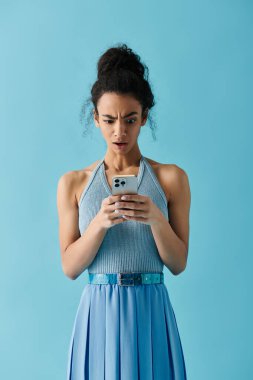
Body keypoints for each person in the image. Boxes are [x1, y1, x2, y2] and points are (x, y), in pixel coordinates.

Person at [57, 43, 191, 380]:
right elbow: (70, 267)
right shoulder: (73, 183)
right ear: (95, 119)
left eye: (131, 119)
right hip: (99, 312)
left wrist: (155, 218)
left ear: (145, 116)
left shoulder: (171, 178)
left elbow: (177, 263)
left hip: (151, 309)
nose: (120, 131)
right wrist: (100, 223)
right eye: (109, 119)